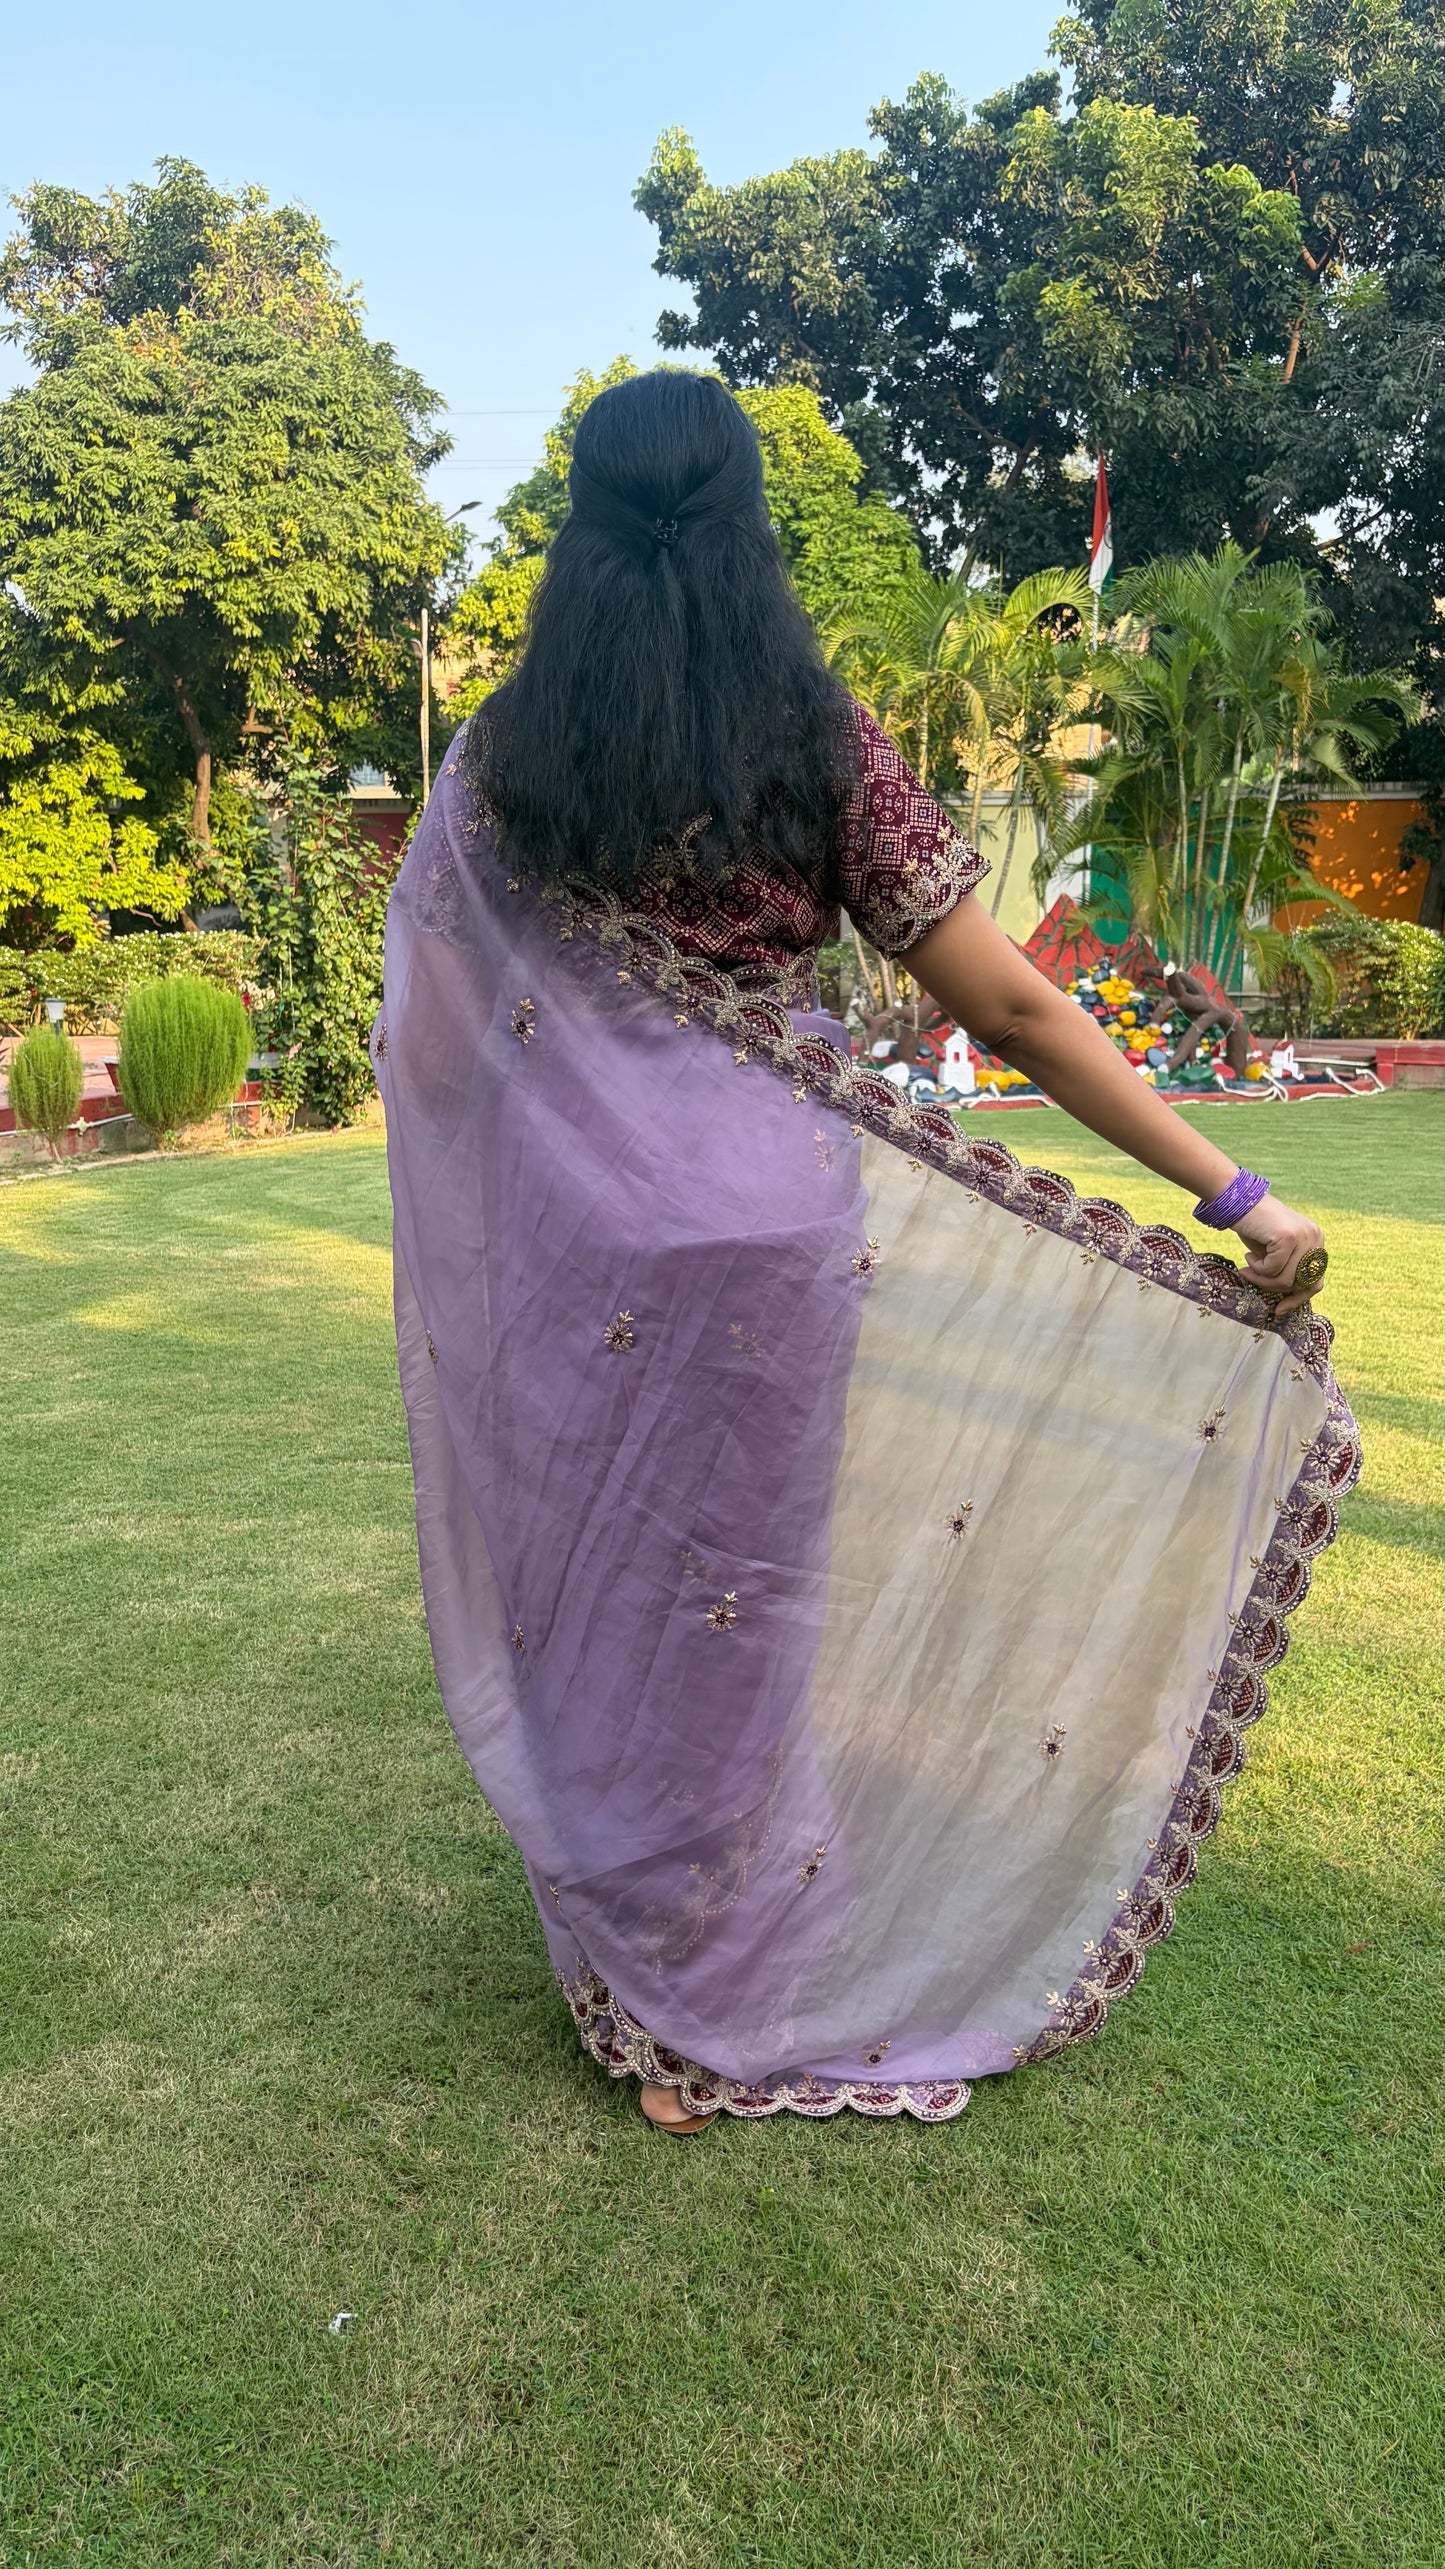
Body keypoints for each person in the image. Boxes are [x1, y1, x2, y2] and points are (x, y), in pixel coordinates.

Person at [375, 372, 1356, 2135]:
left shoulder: (506, 760)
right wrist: (1231, 1190)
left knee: (612, 1606)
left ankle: (653, 1988)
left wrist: (563, 1122)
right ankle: (724, 1975)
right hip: (774, 1235)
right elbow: (1007, 997)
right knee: (745, 1610)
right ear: (748, 524)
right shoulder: (806, 730)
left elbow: (439, 1052)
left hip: (591, 1253)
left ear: (582, 533)